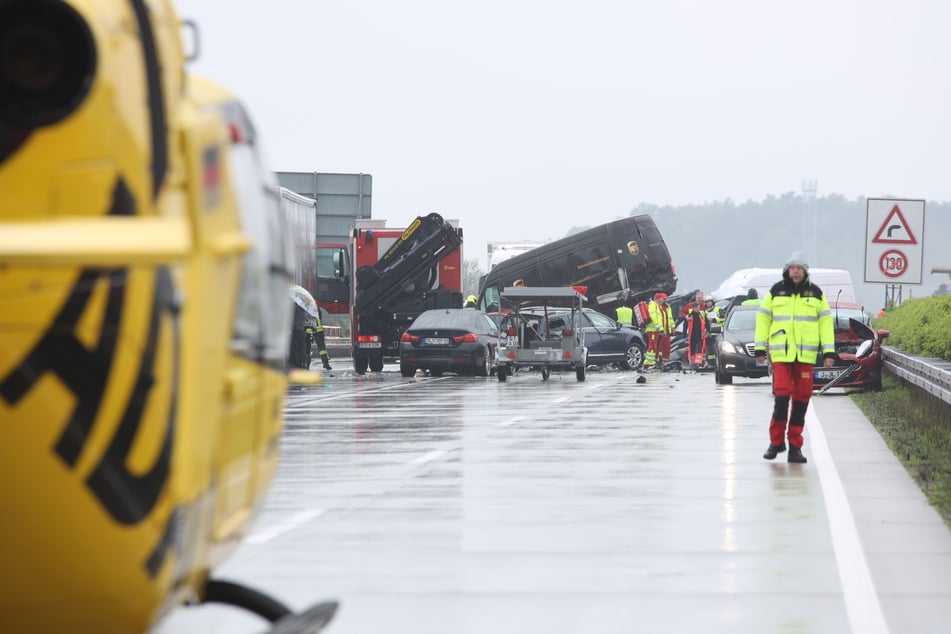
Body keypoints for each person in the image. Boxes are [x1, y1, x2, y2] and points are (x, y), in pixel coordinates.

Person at [754, 254, 835, 463]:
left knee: (801, 400)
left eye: (800, 268)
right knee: (781, 395)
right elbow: (763, 319)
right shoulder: (776, 291)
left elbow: (825, 324)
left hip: (805, 356)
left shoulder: (816, 293)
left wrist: (829, 352)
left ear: (805, 272)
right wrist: (760, 348)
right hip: (781, 354)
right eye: (793, 268)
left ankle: (795, 448)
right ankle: (776, 442)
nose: (796, 271)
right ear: (787, 271)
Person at [643, 292, 675, 368]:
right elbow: (654, 317)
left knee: (655, 346)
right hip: (653, 330)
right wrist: (660, 328)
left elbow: (666, 319)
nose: (663, 300)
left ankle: (653, 362)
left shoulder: (659, 306)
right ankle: (649, 362)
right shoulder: (653, 305)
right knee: (652, 346)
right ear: (657, 299)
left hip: (656, 330)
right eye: (662, 299)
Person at [679, 291, 709, 368]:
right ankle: (692, 363)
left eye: (701, 298)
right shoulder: (689, 306)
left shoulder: (703, 308)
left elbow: (706, 321)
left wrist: (708, 331)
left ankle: (699, 363)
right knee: (692, 349)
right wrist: (684, 336)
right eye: (698, 298)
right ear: (695, 298)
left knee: (700, 349)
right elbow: (682, 314)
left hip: (701, 334)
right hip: (691, 334)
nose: (699, 299)